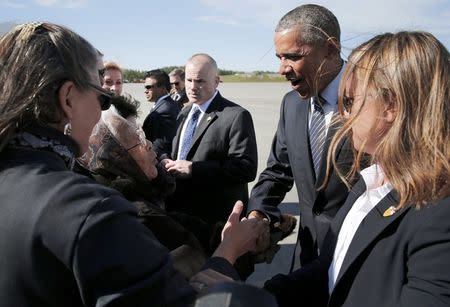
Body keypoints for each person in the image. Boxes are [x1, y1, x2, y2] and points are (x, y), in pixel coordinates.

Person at [0, 22, 269, 306]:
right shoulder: (91, 211)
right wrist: (227, 259)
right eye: (102, 98)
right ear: (67, 99)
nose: (102, 109)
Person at [264, 31, 450, 307]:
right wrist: (252, 294)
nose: (344, 114)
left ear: (391, 105)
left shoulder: (439, 214)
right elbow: (330, 270)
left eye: (350, 102)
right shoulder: (370, 182)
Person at [247, 4, 354, 270]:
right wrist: (257, 213)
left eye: (293, 56)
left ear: (331, 48)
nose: (282, 69)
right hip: (308, 255)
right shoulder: (291, 104)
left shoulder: (373, 99)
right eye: (279, 57)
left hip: (361, 258)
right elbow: (277, 171)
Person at [163, 53, 258, 249]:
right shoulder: (184, 112)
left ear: (216, 81)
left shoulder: (235, 116)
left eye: (199, 81)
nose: (192, 87)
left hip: (213, 225)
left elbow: (246, 168)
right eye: (188, 80)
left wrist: (195, 169)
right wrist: (165, 160)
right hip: (180, 217)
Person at [142, 68, 179, 157]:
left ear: (163, 88)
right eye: (145, 87)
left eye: (149, 87)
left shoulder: (164, 111)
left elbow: (160, 146)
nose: (145, 91)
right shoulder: (166, 104)